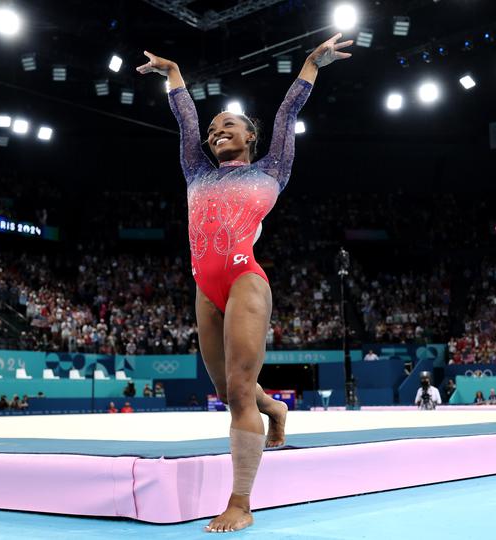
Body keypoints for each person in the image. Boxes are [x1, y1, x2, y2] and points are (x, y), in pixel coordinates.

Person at [137, 32, 352, 533]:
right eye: (213, 130)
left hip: (243, 279)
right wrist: (173, 76)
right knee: (226, 387)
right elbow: (186, 123)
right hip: (203, 286)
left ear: (249, 137)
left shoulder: (272, 168)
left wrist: (310, 65)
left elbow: (286, 116)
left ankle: (240, 501)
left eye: (227, 126)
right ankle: (274, 406)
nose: (215, 133)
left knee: (236, 392)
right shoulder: (195, 171)